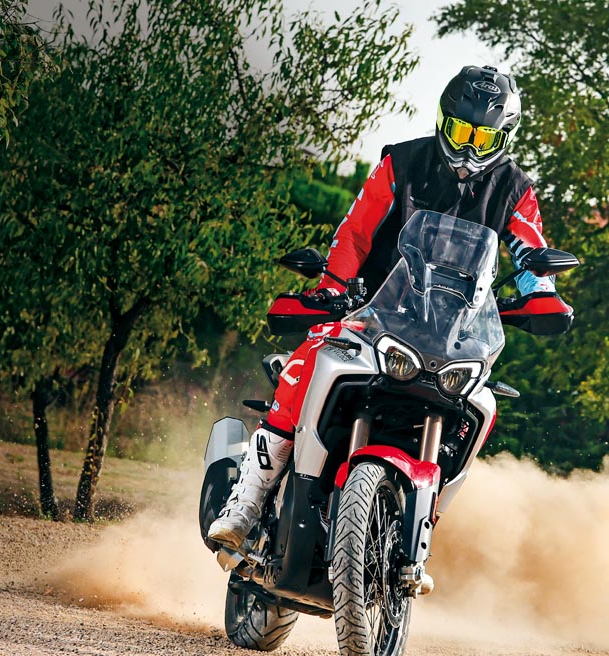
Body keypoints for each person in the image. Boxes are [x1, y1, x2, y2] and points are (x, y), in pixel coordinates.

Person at [208, 64, 574, 550]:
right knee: (309, 359)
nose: (468, 148)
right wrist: (333, 287)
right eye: (460, 131)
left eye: (483, 138)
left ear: (503, 138)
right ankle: (247, 500)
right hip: (372, 314)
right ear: (442, 121)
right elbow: (355, 232)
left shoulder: (515, 188)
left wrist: (541, 295)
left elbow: (530, 250)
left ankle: (418, 534)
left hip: (455, 336)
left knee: (483, 403)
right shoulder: (400, 162)